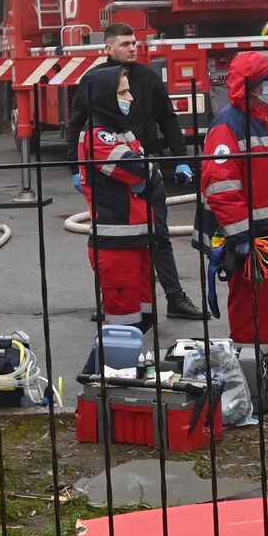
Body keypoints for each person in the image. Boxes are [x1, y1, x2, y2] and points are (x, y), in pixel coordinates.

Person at [65, 23, 207, 320]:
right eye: (125, 43)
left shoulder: (147, 77)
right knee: (113, 240)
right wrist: (76, 168)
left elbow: (167, 118)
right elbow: (76, 123)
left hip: (143, 161)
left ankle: (173, 297)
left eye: (135, 43)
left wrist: (181, 158)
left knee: (158, 237)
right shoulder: (94, 81)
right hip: (114, 173)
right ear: (108, 48)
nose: (133, 48)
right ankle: (112, 298)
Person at [194, 50, 268, 356]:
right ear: (250, 85)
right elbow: (220, 187)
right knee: (251, 311)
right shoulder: (228, 125)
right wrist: (242, 235)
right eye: (266, 81)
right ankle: (250, 378)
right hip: (255, 239)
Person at [76, 66, 158, 355]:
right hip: (116, 242)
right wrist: (146, 169)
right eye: (123, 92)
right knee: (122, 328)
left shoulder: (118, 130)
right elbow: (138, 169)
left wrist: (146, 169)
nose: (131, 98)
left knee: (143, 318)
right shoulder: (98, 135)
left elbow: (145, 168)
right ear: (104, 97)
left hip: (136, 238)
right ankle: (110, 384)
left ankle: (122, 377)